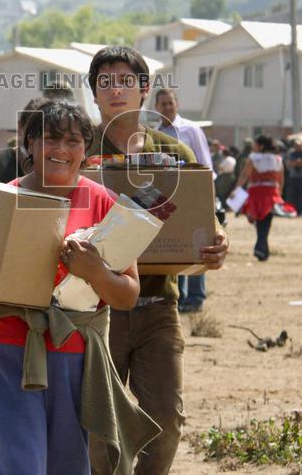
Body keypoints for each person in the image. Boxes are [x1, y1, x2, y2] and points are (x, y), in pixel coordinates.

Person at [0, 99, 159, 474]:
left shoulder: (104, 203)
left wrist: (95, 270)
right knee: (19, 467)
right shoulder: (1, 202)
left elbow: (128, 295)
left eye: (73, 141)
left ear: (86, 151)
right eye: (50, 138)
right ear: (30, 145)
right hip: (4, 354)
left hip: (74, 358)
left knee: (68, 466)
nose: (61, 150)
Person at [85, 46, 229, 473]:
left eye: (126, 81)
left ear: (144, 89)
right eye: (105, 82)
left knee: (166, 423)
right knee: (97, 431)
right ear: (93, 92)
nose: (116, 90)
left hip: (158, 306)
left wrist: (219, 244)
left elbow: (208, 220)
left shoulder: (176, 154)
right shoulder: (79, 150)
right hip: (94, 310)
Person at [154, 87, 213, 314]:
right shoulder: (154, 135)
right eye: (163, 104)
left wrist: (207, 198)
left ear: (176, 104)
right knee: (178, 248)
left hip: (194, 197)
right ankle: (181, 296)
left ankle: (196, 296)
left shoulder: (191, 130)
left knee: (199, 244)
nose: (167, 107)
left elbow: (205, 165)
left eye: (171, 103)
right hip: (168, 199)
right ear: (156, 108)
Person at [234, 135, 290, 260]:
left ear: (261, 146)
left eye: (256, 144)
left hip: (256, 192)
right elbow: (281, 179)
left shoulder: (253, 158)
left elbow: (244, 175)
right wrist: (279, 193)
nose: (254, 147)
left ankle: (260, 248)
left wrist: (237, 188)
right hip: (271, 192)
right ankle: (263, 248)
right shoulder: (277, 159)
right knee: (266, 220)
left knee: (259, 221)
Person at [285, 140, 302, 216]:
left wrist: (296, 163)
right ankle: (292, 211)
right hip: (293, 177)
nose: (297, 147)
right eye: (296, 145)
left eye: (299, 146)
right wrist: (298, 162)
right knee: (292, 195)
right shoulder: (291, 154)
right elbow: (289, 164)